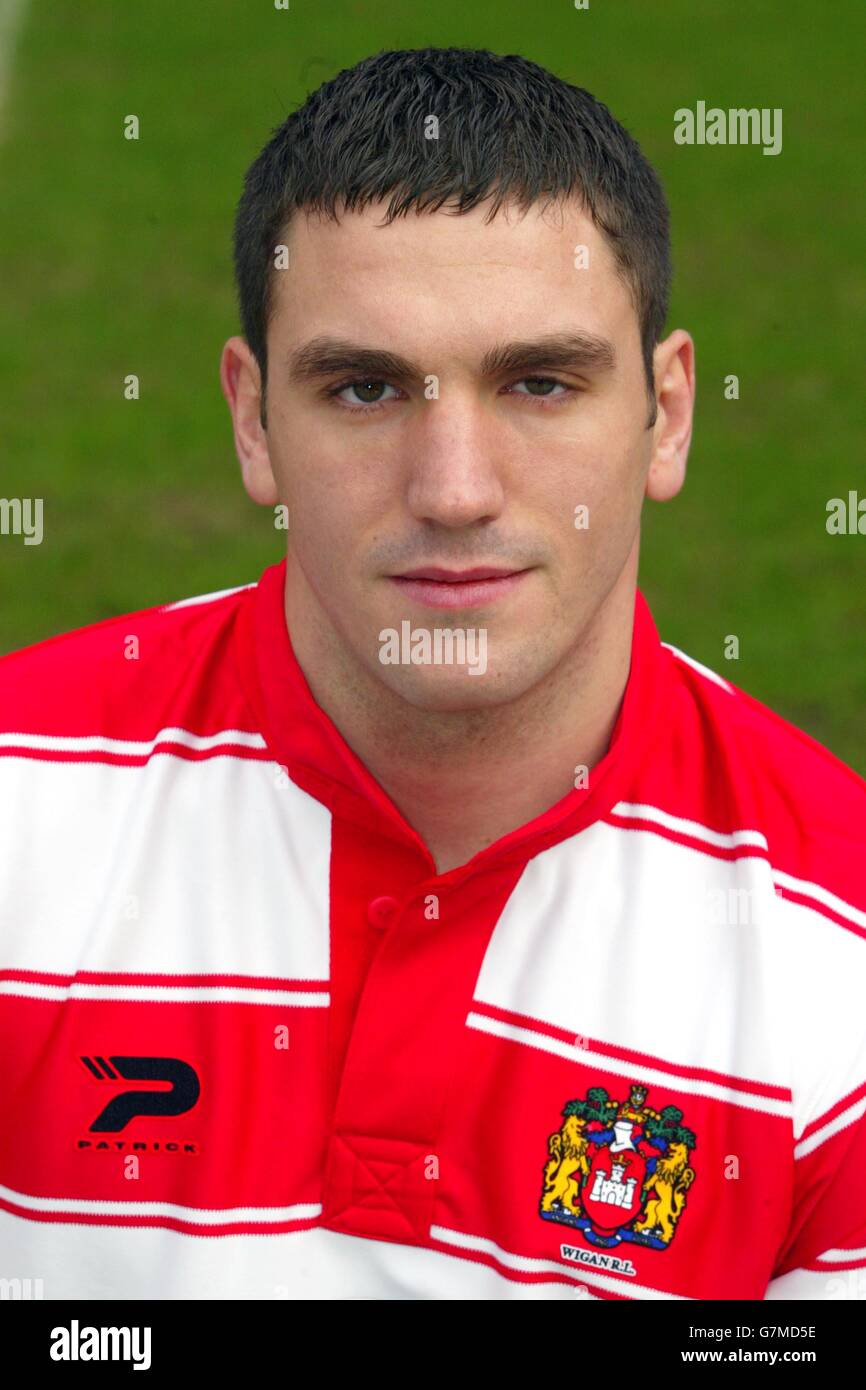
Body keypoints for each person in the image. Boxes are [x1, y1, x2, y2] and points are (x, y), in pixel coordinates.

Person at [1, 47, 864, 1302]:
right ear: (253, 423)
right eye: (361, 388)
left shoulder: (838, 956)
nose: (452, 488)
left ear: (665, 413)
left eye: (538, 382)